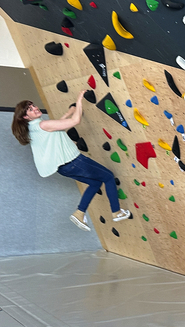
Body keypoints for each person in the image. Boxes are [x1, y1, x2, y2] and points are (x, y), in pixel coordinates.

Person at [12, 91, 130, 230]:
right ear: (26, 117)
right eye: (30, 110)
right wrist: (79, 101)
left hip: (64, 168)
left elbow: (58, 127)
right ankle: (116, 212)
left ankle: (80, 213)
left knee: (95, 183)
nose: (35, 108)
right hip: (74, 162)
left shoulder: (34, 129)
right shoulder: (42, 125)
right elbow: (75, 121)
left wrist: (69, 112)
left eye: (33, 106)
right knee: (109, 177)